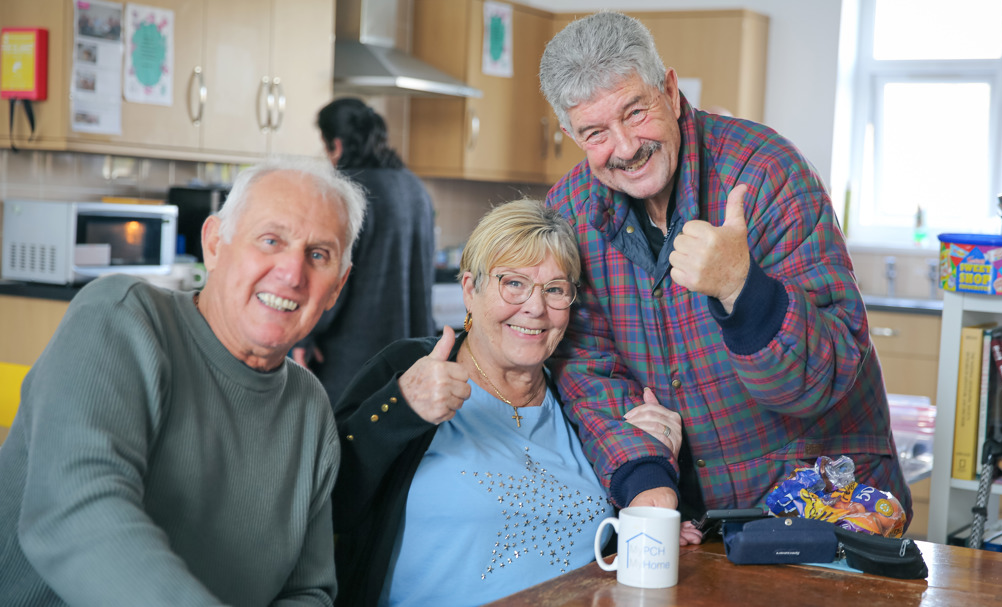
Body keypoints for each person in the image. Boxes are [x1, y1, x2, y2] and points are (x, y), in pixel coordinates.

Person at [538, 11, 912, 539]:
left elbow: (824, 378)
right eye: (595, 132)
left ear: (668, 88)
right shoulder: (572, 210)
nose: (624, 148)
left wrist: (742, 289)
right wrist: (646, 478)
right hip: (694, 520)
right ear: (569, 133)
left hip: (829, 504)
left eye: (635, 112)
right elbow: (586, 374)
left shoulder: (765, 171)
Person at [0, 157, 366, 605]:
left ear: (336, 287)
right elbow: (75, 513)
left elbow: (306, 590)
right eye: (271, 240)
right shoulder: (121, 318)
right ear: (214, 244)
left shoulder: (310, 407)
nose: (292, 273)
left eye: (318, 255)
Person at [330, 199, 682, 607]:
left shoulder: (579, 396)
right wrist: (401, 408)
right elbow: (327, 501)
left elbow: (613, 542)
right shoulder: (412, 368)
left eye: (554, 289)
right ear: (469, 290)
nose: (535, 308)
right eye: (513, 283)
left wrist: (652, 450)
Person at [292, 97, 436, 405]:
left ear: (338, 145)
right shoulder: (415, 187)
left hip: (353, 361)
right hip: (411, 356)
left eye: (326, 147)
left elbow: (332, 276)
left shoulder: (349, 192)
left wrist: (305, 336)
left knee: (344, 447)